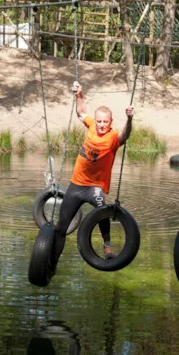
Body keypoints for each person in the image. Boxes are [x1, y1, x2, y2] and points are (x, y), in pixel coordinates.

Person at [53, 81, 134, 265]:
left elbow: (126, 135)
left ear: (110, 122)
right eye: (99, 121)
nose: (102, 125)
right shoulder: (91, 127)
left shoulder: (113, 138)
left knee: (101, 209)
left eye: (105, 122)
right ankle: (53, 260)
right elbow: (82, 113)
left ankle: (107, 246)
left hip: (94, 188)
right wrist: (79, 94)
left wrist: (129, 119)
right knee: (61, 227)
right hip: (76, 186)